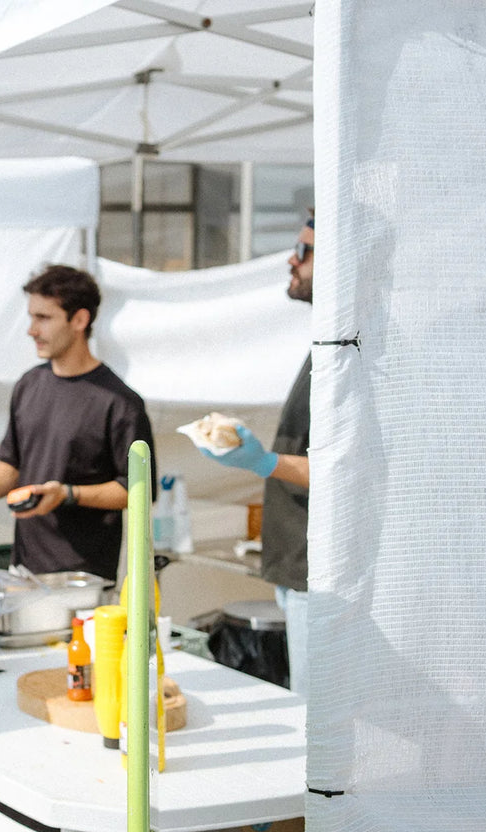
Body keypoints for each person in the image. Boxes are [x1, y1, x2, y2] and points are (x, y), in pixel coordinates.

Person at [0, 264, 155, 581]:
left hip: (85, 576)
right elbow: (12, 465)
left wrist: (67, 494)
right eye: (32, 317)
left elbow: (138, 490)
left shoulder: (120, 403)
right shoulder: (29, 384)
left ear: (79, 320)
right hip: (24, 568)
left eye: (43, 318)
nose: (31, 330)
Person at [192, 217, 314, 695]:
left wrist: (263, 463)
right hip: (295, 568)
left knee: (313, 716)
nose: (291, 260)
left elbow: (349, 471)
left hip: (317, 575)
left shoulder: (354, 351)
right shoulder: (324, 347)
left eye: (304, 251)